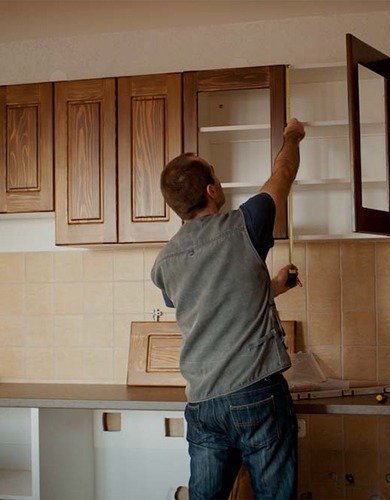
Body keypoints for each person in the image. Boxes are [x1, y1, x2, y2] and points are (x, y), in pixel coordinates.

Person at [151, 118, 306, 499]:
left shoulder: (164, 263)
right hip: (257, 393)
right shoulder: (246, 225)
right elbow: (283, 174)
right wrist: (292, 136)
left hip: (204, 404)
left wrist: (271, 289)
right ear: (212, 189)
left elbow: (212, 304)